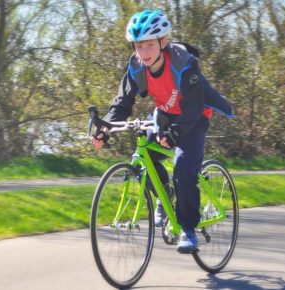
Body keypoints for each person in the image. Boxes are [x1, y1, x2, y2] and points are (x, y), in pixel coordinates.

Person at [90, 9, 234, 253]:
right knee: (141, 159)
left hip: (194, 116)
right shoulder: (136, 66)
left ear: (163, 42)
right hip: (165, 115)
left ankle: (187, 228)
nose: (143, 52)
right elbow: (122, 104)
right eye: (138, 45)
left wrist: (175, 133)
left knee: (183, 169)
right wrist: (105, 128)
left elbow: (192, 106)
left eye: (148, 45)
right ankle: (165, 196)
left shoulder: (183, 62)